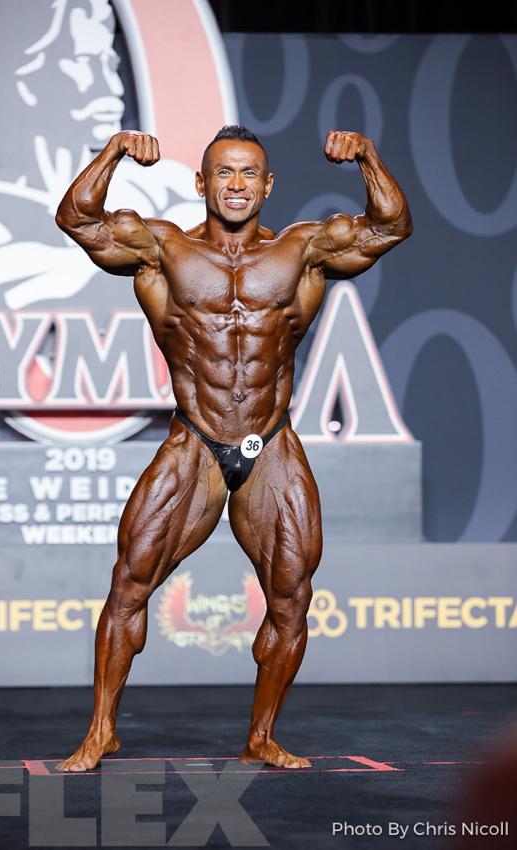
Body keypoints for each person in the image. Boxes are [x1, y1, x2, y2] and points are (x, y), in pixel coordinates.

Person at [54, 124, 413, 771]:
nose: (237, 184)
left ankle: (261, 736)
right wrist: (113, 153)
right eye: (224, 172)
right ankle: (101, 728)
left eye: (249, 173)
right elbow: (78, 220)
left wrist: (366, 156)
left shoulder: (302, 250)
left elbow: (390, 227)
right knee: (130, 582)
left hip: (269, 442)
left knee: (292, 597)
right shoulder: (162, 248)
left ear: (268, 185)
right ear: (202, 182)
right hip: (195, 440)